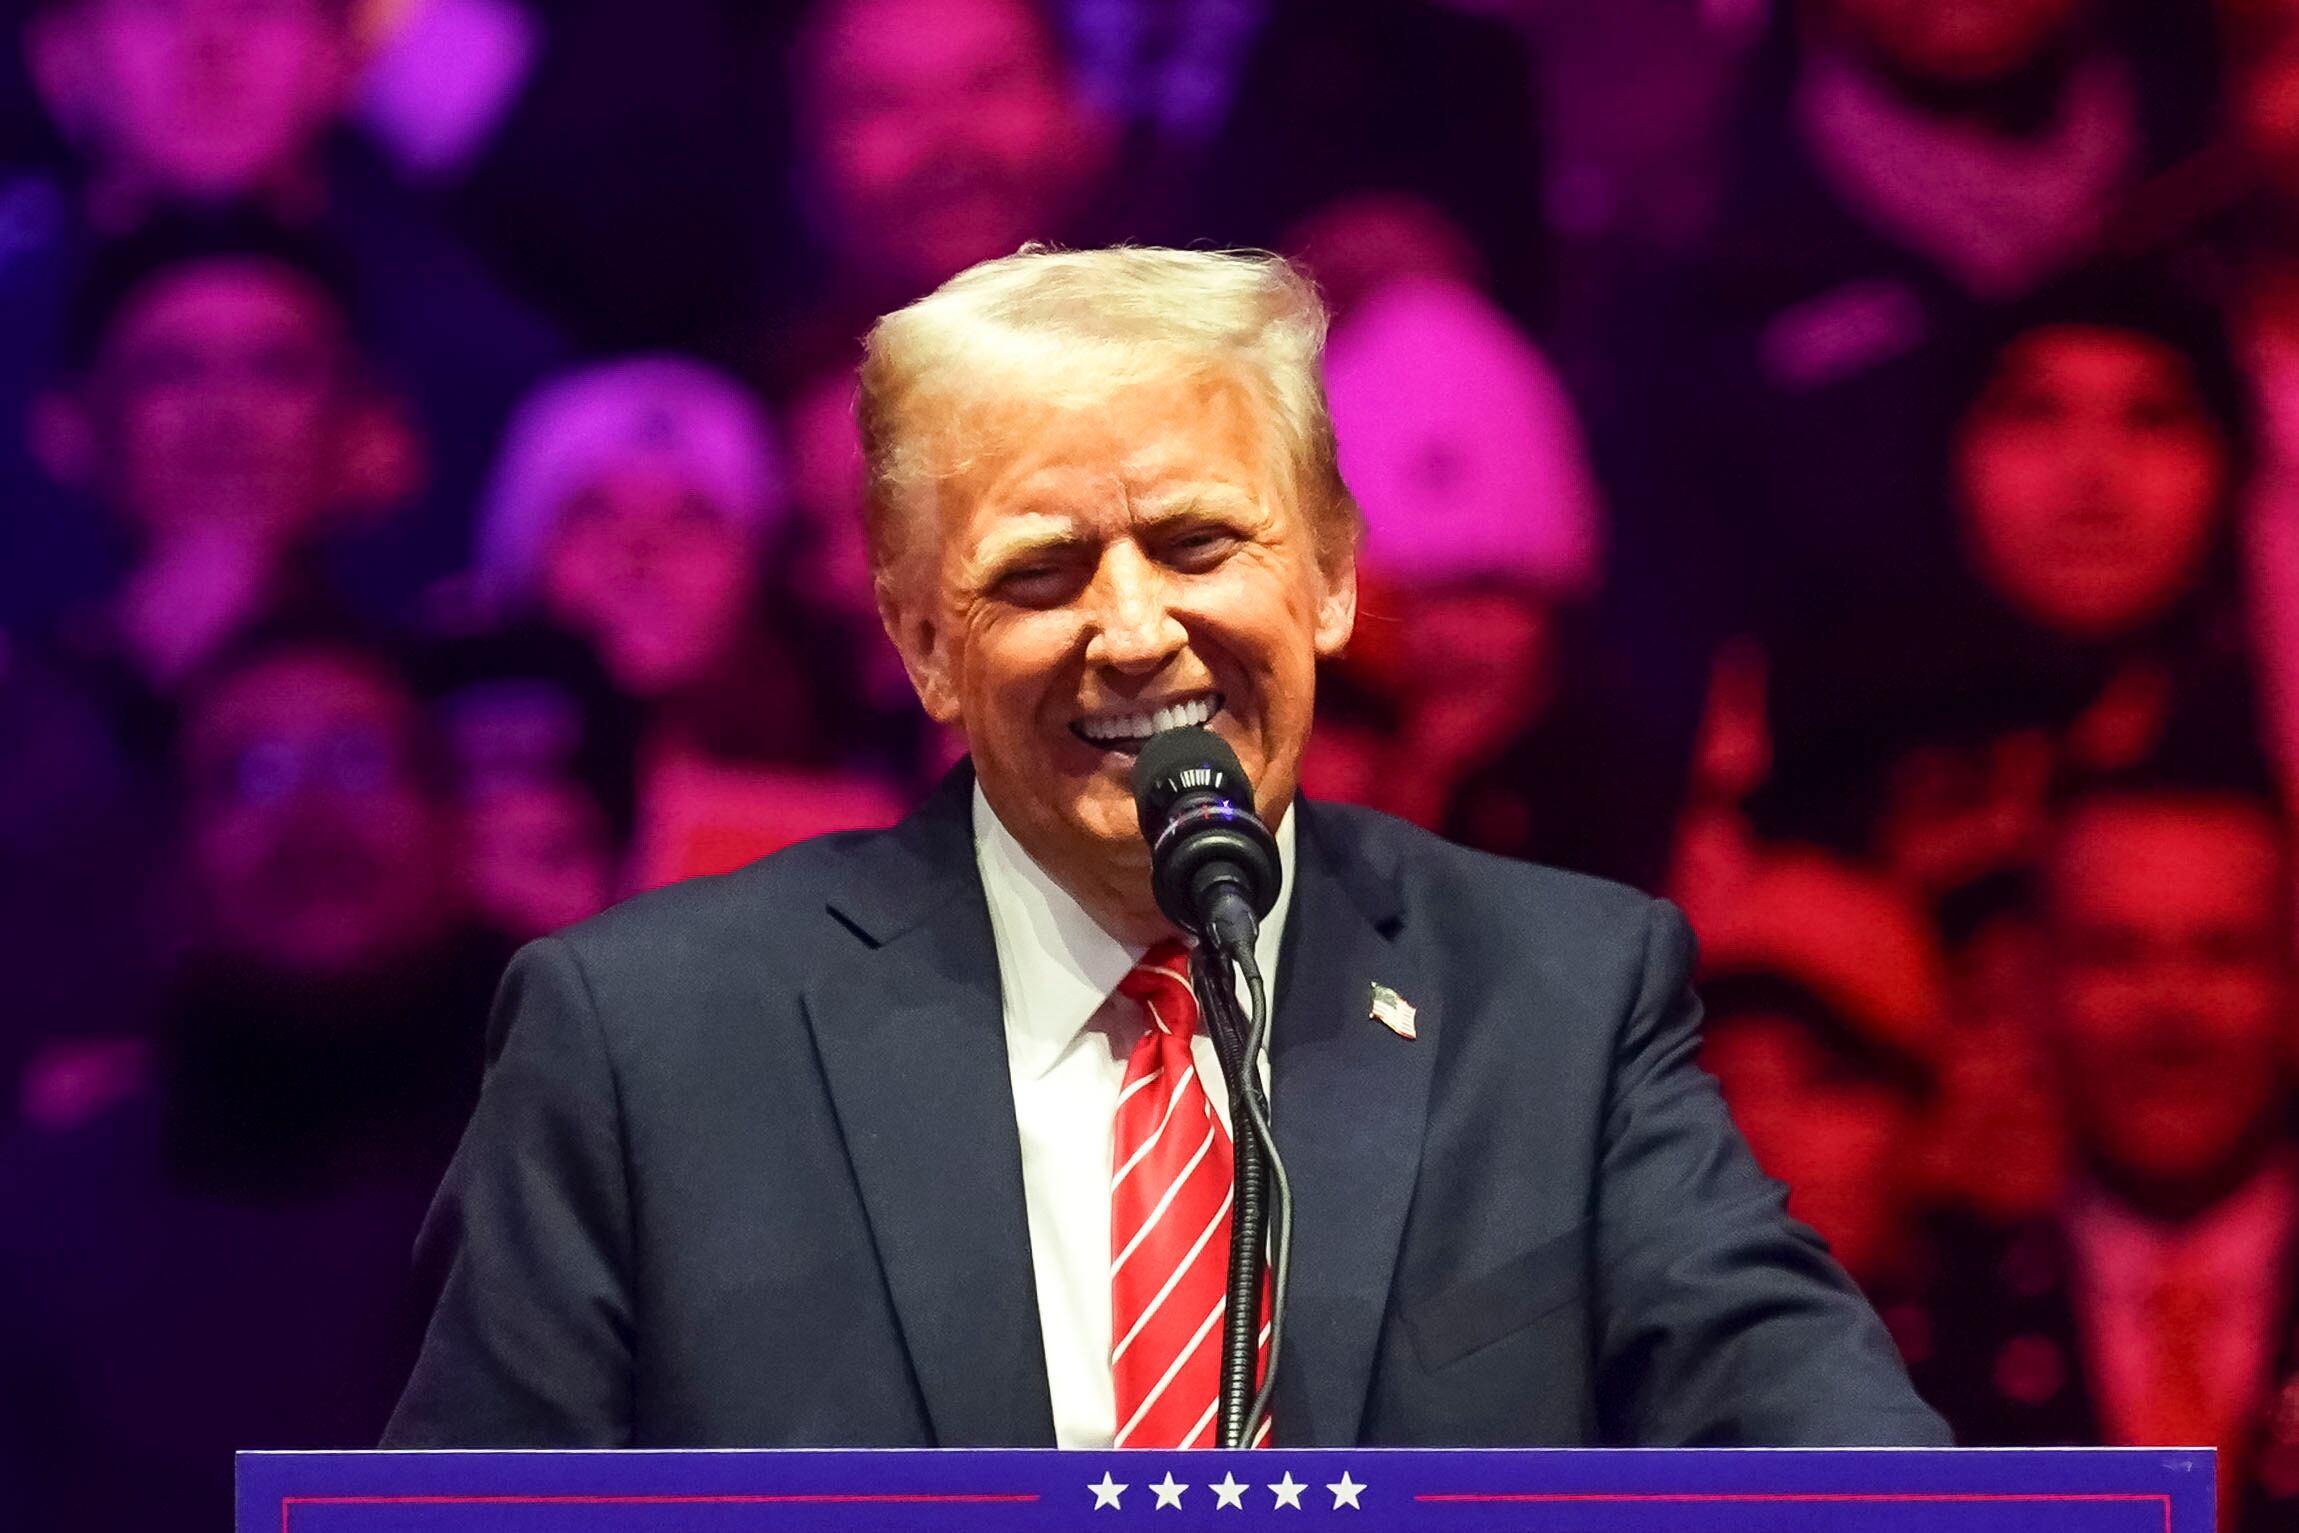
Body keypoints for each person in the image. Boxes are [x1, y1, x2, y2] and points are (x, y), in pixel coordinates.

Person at [386, 246, 1947, 1451]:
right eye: (1042, 567)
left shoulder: (1558, 997)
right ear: (925, 647)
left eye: (1200, 544)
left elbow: (1819, 1437)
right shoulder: (650, 1036)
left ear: (1329, 579)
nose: (1135, 635)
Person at [0, 626, 501, 1532]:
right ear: (178, 858)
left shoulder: (620, 1180)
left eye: (358, 761)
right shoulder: (44, 1223)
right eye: (249, 775)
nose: (309, 817)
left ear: (454, 825)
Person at [1909, 769, 2299, 1530]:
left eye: (2223, 952)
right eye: (2113, 954)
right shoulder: (1920, 1337)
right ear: (2036, 986)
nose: (2171, 1011)